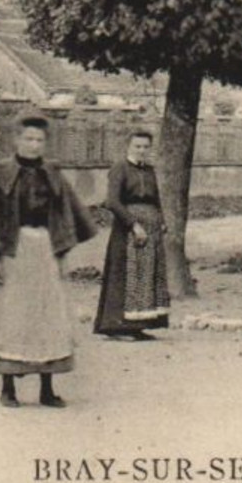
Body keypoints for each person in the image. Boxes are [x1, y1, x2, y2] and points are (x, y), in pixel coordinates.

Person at [0, 115, 97, 408]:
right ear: (16, 140)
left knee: (47, 316)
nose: (34, 145)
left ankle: (47, 389)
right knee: (10, 317)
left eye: (40, 140)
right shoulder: (0, 173)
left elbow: (64, 214)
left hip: (44, 250)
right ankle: (7, 387)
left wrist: (62, 252)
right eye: (29, 139)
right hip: (14, 251)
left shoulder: (53, 173)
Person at [94, 130, 170, 340]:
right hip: (127, 230)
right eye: (138, 146)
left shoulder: (150, 171)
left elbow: (156, 200)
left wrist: (161, 220)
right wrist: (133, 224)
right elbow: (112, 201)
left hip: (151, 229)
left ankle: (138, 326)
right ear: (129, 146)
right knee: (125, 274)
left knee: (145, 276)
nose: (142, 150)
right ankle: (116, 327)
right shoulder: (120, 169)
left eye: (146, 147)